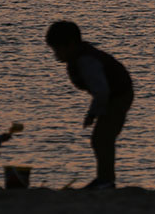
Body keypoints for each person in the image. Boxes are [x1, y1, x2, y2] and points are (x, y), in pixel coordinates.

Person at [46, 21, 133, 190]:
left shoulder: (86, 61)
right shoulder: (78, 58)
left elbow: (102, 92)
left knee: (102, 138)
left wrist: (92, 114)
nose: (56, 54)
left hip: (119, 96)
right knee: (101, 138)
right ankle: (104, 179)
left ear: (71, 44)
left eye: (57, 49)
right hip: (112, 95)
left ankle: (106, 181)